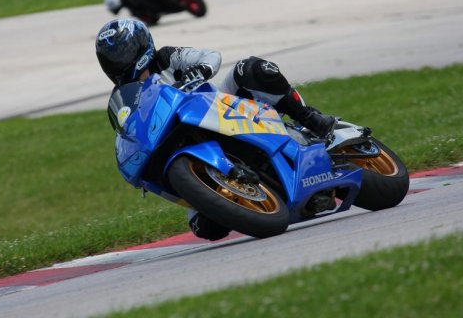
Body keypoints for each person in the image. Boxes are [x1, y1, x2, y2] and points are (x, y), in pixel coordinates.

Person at [95, 18, 337, 241]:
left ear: (142, 45)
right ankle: (240, 190)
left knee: (251, 69)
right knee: (206, 228)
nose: (120, 61)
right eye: (111, 58)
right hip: (180, 144)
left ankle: (309, 118)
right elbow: (127, 130)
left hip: (218, 109)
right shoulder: (125, 97)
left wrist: (200, 69)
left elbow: (209, 55)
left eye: (123, 52)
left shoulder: (167, 58)